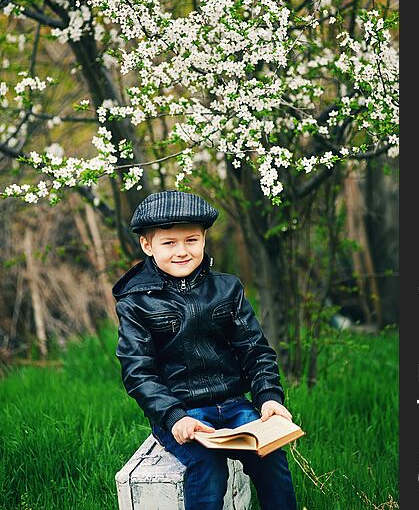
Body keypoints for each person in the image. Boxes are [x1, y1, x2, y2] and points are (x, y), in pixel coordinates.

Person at [112, 190, 297, 510]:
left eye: (192, 240)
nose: (182, 251)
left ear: (204, 239)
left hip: (235, 405)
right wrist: (173, 417)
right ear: (147, 245)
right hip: (182, 412)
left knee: (271, 459)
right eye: (169, 243)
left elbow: (255, 349)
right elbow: (138, 372)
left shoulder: (227, 288)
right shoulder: (136, 302)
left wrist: (269, 397)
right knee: (207, 468)